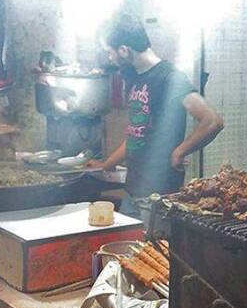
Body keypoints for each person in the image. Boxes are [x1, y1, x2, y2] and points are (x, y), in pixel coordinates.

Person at [88, 13, 224, 213]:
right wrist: (107, 164)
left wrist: (180, 151)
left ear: (124, 50)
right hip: (134, 191)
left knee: (151, 245)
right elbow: (136, 134)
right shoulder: (135, 78)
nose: (110, 58)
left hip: (159, 197)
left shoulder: (171, 78)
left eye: (110, 52)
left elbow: (212, 121)